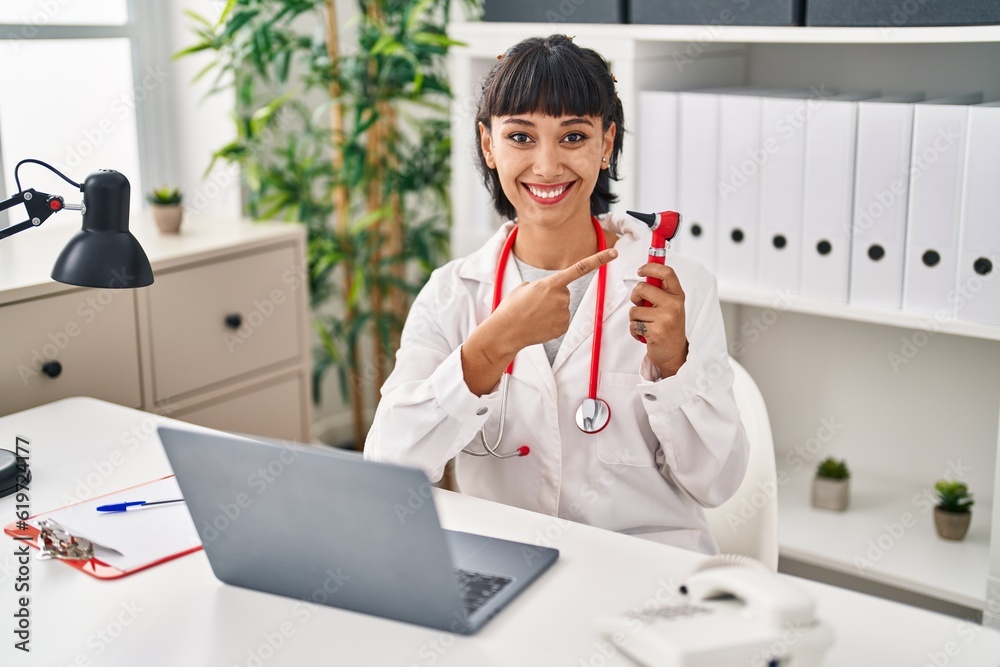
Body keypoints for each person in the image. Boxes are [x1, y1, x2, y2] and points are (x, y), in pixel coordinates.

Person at [364, 34, 748, 554]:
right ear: (488, 145)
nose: (546, 166)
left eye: (572, 137)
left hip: (645, 569)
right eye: (521, 137)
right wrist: (489, 348)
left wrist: (673, 363)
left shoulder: (679, 288)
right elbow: (389, 469)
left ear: (606, 143)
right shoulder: (452, 294)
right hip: (507, 562)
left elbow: (717, 483)